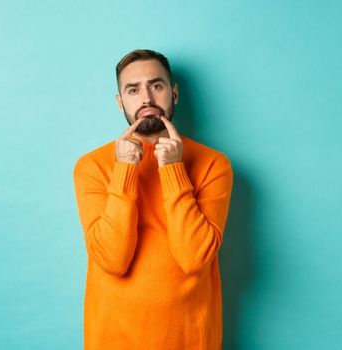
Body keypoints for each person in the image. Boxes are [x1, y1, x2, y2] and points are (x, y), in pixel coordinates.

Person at [72, 49, 234, 349]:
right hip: (113, 338)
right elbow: (113, 260)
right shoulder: (92, 166)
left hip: (190, 339)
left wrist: (173, 168)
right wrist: (124, 170)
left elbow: (194, 258)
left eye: (156, 86)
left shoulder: (213, 164)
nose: (146, 98)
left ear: (173, 94)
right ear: (121, 102)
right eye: (133, 90)